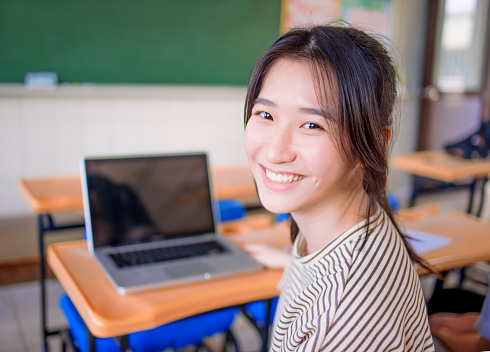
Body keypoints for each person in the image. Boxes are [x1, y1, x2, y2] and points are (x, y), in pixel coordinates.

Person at [242, 23, 434, 351]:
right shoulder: (349, 220)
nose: (275, 151)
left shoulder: (342, 317)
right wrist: (293, 263)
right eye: (266, 114)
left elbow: (342, 303)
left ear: (372, 142)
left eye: (312, 125)